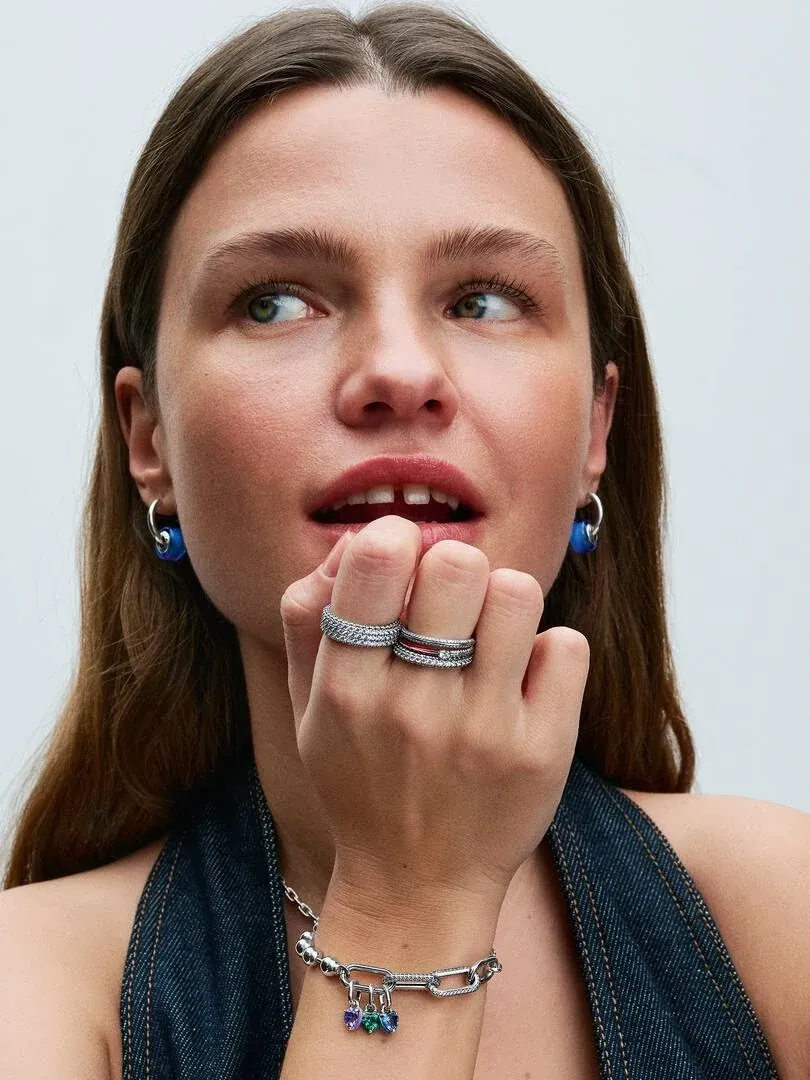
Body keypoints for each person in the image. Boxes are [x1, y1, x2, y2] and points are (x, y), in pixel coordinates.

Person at [1, 3, 808, 1077]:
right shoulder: (35, 987)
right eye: (276, 301)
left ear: (596, 433)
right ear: (148, 441)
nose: (399, 373)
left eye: (483, 298)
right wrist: (407, 899)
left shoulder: (779, 916)